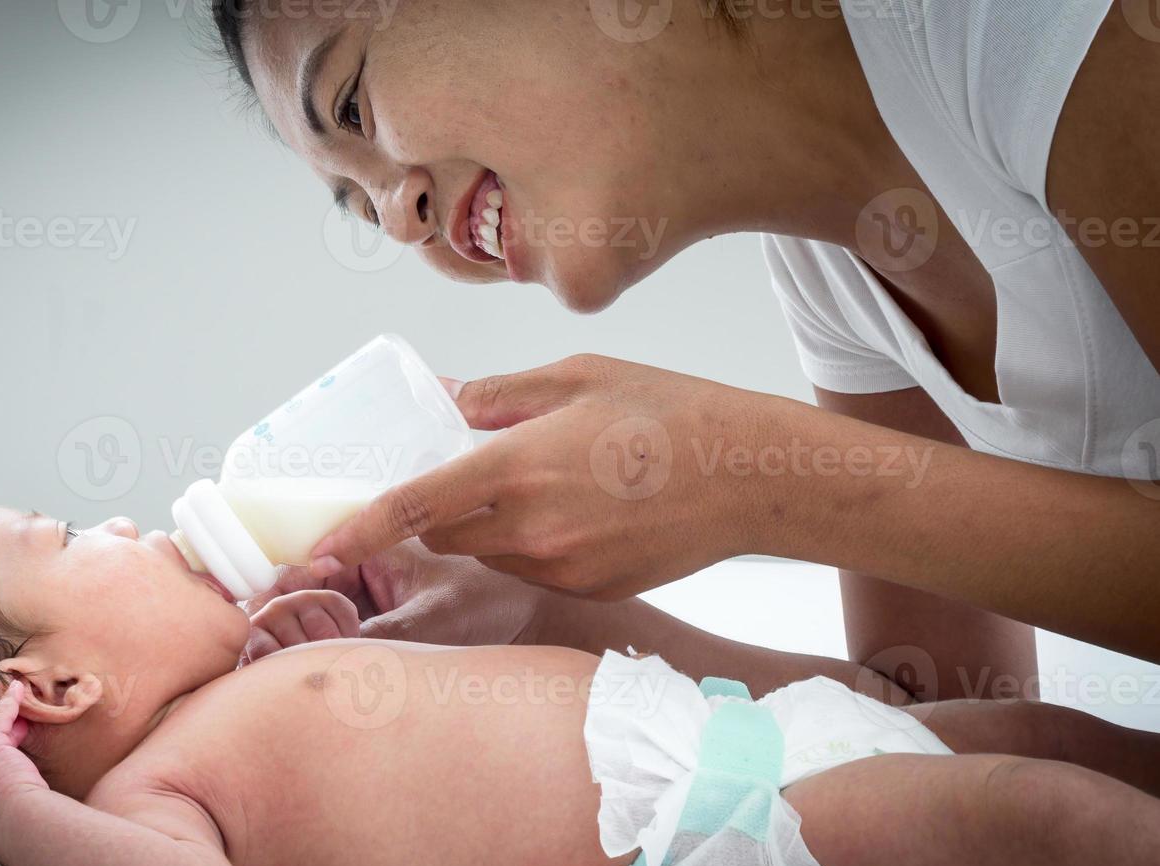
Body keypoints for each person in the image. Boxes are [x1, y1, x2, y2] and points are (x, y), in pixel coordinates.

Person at [0, 477, 1160, 866]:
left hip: (757, 737)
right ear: (46, 693)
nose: (118, 522)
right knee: (1041, 823)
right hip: (724, 853)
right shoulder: (154, 800)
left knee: (1042, 737)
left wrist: (319, 638)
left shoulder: (241, 689)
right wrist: (9, 810)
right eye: (65, 538)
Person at [205, 0, 1160, 688]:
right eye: (357, 204)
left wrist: (753, 478)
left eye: (354, 107)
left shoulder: (1033, 29)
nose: (396, 216)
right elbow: (954, 724)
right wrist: (554, 623)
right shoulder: (836, 270)